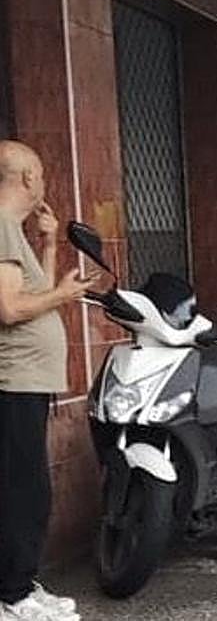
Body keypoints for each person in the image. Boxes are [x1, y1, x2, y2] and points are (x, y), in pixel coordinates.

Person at [0, 140, 94, 621]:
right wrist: (63, 295)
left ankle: (19, 585)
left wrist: (51, 244)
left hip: (27, 383)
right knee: (23, 491)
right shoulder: (0, 226)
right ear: (28, 177)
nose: (43, 182)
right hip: (13, 383)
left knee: (26, 488)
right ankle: (13, 596)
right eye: (40, 173)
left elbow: (34, 294)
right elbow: (10, 309)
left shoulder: (13, 231)